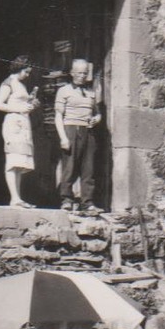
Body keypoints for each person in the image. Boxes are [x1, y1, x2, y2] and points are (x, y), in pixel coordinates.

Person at [55, 58, 103, 213]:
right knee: (69, 167)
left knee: (88, 169)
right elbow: (58, 116)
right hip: (70, 129)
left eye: (84, 73)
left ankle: (87, 202)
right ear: (72, 73)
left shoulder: (91, 92)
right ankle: (66, 200)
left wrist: (96, 119)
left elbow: (97, 114)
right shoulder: (64, 91)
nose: (82, 76)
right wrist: (63, 137)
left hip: (87, 132)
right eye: (79, 73)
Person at [0, 56, 38, 208]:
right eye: (26, 71)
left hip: (23, 124)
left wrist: (31, 103)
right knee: (12, 161)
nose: (28, 75)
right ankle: (14, 198)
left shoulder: (21, 84)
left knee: (19, 162)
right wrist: (19, 108)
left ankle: (17, 198)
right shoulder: (8, 83)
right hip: (13, 124)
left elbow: (21, 103)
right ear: (19, 68)